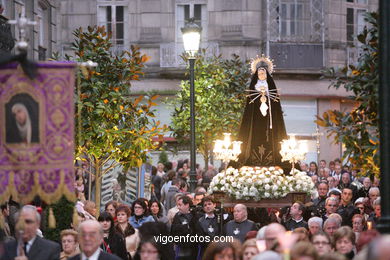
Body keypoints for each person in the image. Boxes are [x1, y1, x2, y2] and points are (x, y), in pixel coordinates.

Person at [232, 57, 288, 170]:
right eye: (259, 73)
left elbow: (276, 106)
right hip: (255, 121)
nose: (261, 75)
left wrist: (267, 97)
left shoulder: (270, 87)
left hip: (269, 121)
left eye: (263, 73)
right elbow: (249, 107)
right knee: (254, 137)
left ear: (266, 74)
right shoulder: (254, 87)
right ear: (256, 74)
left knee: (271, 138)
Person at [171, 195, 198, 260]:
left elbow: (196, 230)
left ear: (187, 205)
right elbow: (173, 231)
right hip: (181, 249)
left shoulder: (195, 215)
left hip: (194, 249)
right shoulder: (177, 216)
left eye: (180, 205)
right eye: (178, 205)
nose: (178, 207)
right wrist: (186, 227)